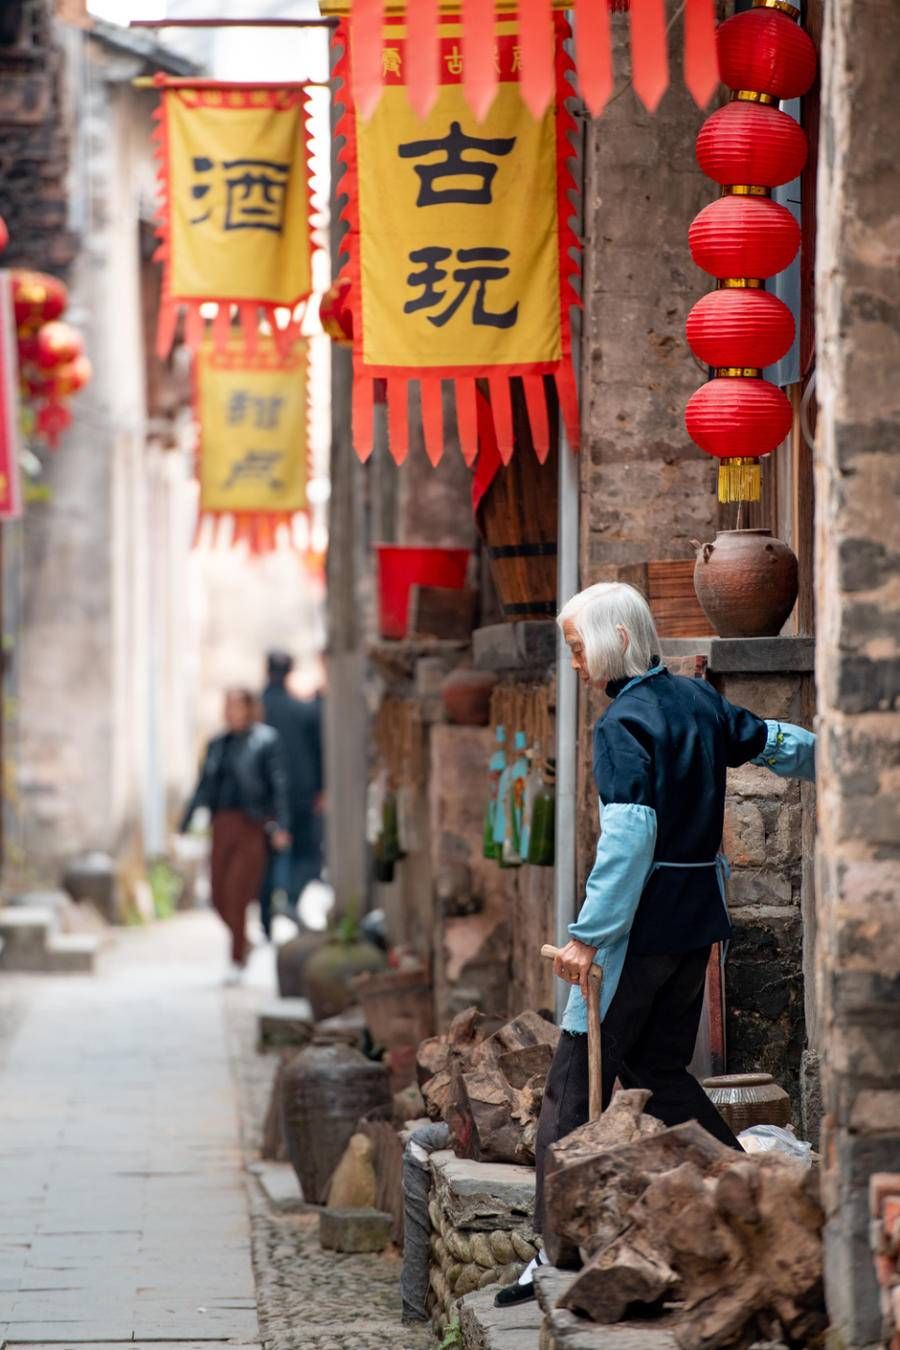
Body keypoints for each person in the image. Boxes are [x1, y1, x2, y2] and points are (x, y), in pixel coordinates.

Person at [496, 582, 816, 1308]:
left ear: (611, 640)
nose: (576, 664)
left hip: (636, 936)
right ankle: (756, 1193)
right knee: (660, 1074)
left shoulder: (622, 727)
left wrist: (586, 937)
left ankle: (550, 1253)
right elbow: (773, 742)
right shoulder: (697, 702)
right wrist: (838, 758)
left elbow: (629, 840)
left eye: (579, 649)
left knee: (570, 1090)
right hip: (695, 925)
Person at [181, 688, 290, 981]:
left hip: (251, 824)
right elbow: (203, 784)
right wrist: (186, 820)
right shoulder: (218, 744)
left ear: (248, 708)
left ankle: (236, 958)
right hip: (222, 824)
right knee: (217, 893)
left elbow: (278, 785)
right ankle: (244, 941)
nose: (231, 712)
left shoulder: (265, 740)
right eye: (227, 706)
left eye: (236, 706)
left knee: (238, 892)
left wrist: (281, 825)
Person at [258, 651, 324, 936]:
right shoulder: (303, 710)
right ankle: (291, 898)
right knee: (307, 852)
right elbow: (319, 751)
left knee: (265, 856)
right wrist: (321, 788)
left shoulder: (257, 710)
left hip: (265, 796)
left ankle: (269, 916)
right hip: (301, 791)